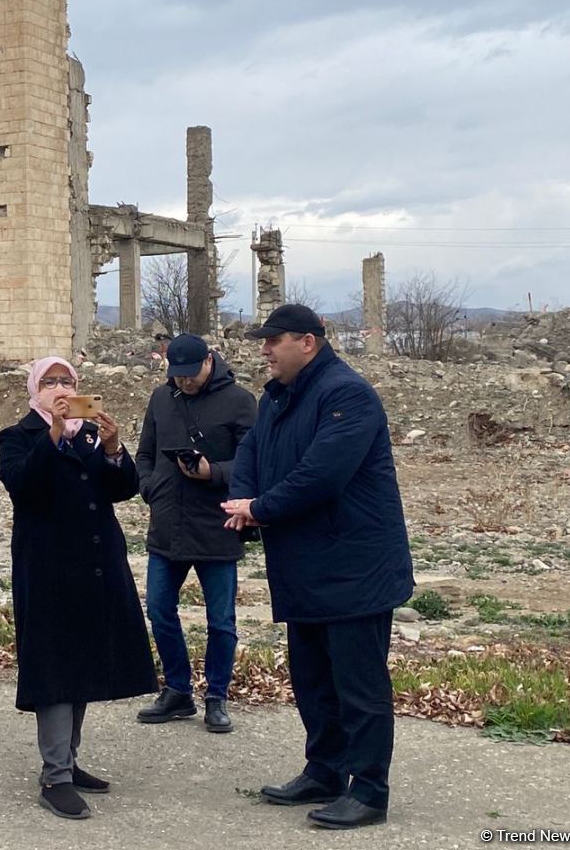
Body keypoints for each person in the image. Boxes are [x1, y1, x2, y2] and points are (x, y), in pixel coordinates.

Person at [220, 304, 414, 830]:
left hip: (355, 567)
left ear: (307, 342)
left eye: (273, 340)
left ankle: (370, 790)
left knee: (359, 685)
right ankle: (325, 770)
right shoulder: (279, 396)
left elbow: (321, 475)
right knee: (312, 680)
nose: (264, 349)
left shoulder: (346, 394)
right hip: (305, 566)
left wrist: (259, 509)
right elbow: (251, 456)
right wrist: (242, 498)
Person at [0, 357, 156, 822]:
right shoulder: (18, 436)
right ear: (34, 388)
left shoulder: (88, 434)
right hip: (47, 569)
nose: (61, 388)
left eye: (68, 381)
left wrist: (112, 449)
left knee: (83, 662)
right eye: (51, 382)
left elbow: (121, 490)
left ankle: (69, 759)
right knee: (54, 671)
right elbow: (23, 484)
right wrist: (53, 434)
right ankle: (55, 776)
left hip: (95, 565)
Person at [134, 333, 257, 732]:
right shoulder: (160, 398)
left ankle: (217, 697)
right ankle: (178, 690)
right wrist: (149, 487)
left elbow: (255, 464)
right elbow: (145, 455)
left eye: (191, 374)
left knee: (221, 621)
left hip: (218, 524)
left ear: (209, 361)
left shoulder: (240, 401)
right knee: (158, 611)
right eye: (177, 375)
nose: (184, 382)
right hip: (167, 523)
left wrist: (214, 472)